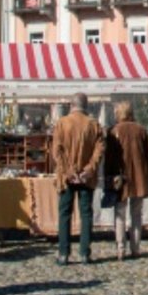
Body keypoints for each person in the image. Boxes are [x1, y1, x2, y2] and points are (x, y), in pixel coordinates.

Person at [51, 92, 104, 265]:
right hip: (86, 177)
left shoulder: (62, 124)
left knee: (65, 213)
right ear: (86, 105)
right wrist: (88, 169)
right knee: (86, 214)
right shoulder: (94, 125)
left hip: (67, 178)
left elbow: (56, 151)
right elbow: (99, 150)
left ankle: (63, 253)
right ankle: (84, 253)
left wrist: (68, 171)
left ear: (71, 105)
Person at [104, 102, 148, 261]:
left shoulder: (114, 131)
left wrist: (108, 176)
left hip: (120, 177)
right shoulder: (141, 130)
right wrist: (147, 175)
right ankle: (136, 248)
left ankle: (121, 248)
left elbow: (109, 158)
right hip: (138, 176)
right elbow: (147, 156)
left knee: (120, 214)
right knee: (136, 214)